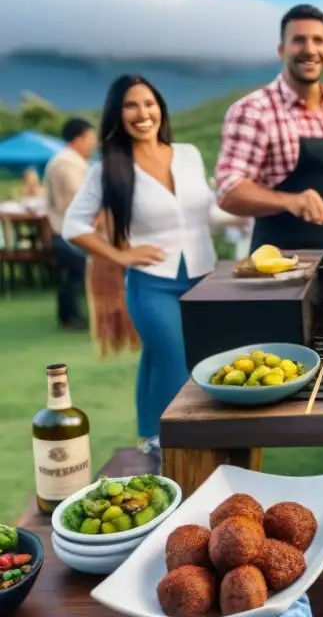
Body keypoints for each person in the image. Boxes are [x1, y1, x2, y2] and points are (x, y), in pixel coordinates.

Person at [62, 75, 220, 462]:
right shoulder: (109, 168)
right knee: (173, 358)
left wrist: (255, 205)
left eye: (149, 103)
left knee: (156, 357)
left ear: (160, 108)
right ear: (117, 113)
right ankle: (178, 448)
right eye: (131, 105)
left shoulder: (187, 154)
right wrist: (119, 255)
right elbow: (73, 226)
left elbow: (206, 210)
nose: (142, 113)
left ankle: (150, 435)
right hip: (151, 283)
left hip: (202, 275)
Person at [215, 4, 323, 249]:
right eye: (299, 40)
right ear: (282, 50)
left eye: (318, 40)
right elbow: (228, 191)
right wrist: (290, 201)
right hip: (279, 266)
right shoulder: (254, 110)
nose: (310, 50)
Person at [43, 117, 96, 330]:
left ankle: (71, 315)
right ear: (79, 138)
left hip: (66, 227)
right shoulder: (67, 163)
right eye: (91, 138)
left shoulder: (68, 160)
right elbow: (79, 195)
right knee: (74, 274)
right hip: (67, 228)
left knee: (73, 274)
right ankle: (70, 317)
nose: (94, 143)